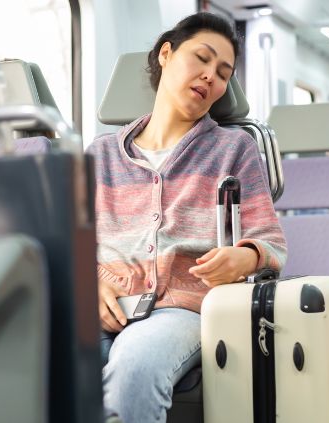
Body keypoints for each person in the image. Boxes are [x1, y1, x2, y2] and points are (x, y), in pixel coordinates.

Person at [86, 12, 287, 423]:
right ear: (166, 54)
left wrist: (245, 257)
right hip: (104, 306)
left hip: (184, 309)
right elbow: (72, 242)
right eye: (202, 58)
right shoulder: (100, 154)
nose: (210, 76)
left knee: (134, 367)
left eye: (223, 72)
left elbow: (271, 241)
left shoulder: (234, 149)